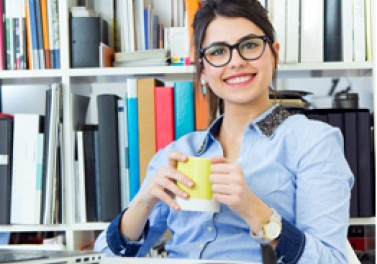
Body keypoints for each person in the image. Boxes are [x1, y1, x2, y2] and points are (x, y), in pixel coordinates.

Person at [94, 0, 354, 263]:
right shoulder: (178, 154)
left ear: (274, 54)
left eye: (250, 45)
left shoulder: (313, 142)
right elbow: (103, 256)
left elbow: (332, 260)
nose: (236, 61)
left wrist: (255, 210)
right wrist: (145, 201)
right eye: (218, 52)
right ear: (203, 70)